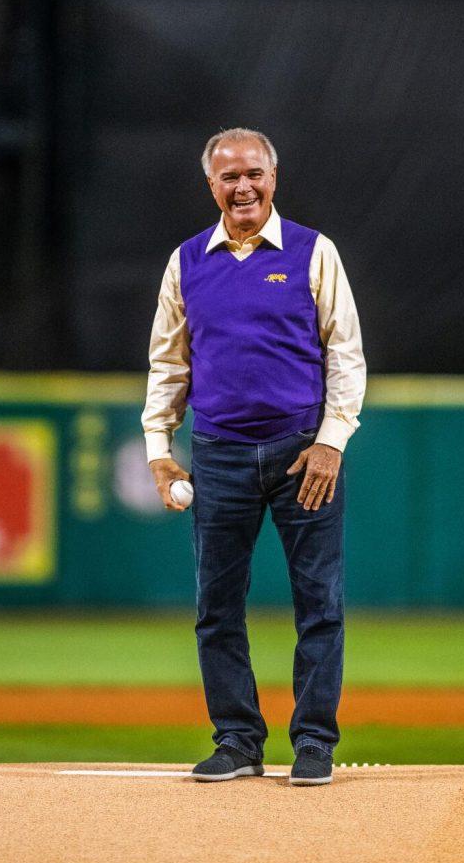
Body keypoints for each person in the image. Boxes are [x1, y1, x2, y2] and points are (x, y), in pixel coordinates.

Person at [142, 127, 366, 786]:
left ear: (274, 177)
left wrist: (330, 441)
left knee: (318, 605)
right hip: (218, 454)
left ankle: (315, 744)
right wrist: (160, 448)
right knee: (216, 607)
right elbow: (167, 361)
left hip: (304, 454)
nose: (242, 186)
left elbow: (344, 352)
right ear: (210, 185)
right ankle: (238, 741)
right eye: (228, 176)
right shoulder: (187, 261)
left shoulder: (312, 252)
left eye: (253, 173)